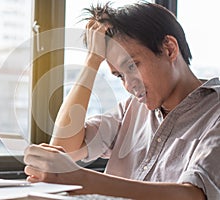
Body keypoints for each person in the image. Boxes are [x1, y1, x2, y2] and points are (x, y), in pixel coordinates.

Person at [24, 2, 220, 199]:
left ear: (169, 49)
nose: (128, 85)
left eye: (133, 66)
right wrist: (92, 61)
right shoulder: (131, 109)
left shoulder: (215, 112)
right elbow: (66, 148)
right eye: (119, 76)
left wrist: (84, 180)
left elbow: (194, 195)